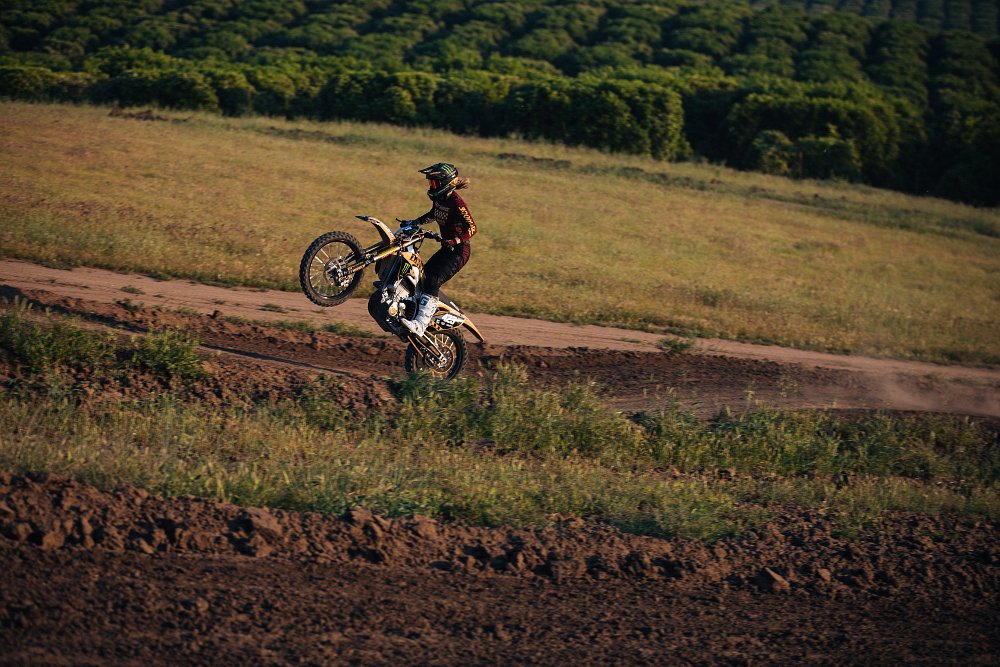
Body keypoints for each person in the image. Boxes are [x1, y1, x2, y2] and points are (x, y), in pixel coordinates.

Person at [401, 162, 477, 336]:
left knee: (433, 281)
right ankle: (412, 313)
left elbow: (472, 228)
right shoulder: (440, 199)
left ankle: (420, 325)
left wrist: (455, 241)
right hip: (446, 249)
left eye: (434, 183)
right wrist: (414, 222)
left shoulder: (457, 203)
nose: (431, 186)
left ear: (446, 183)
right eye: (430, 182)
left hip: (458, 252)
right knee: (421, 277)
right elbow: (433, 214)